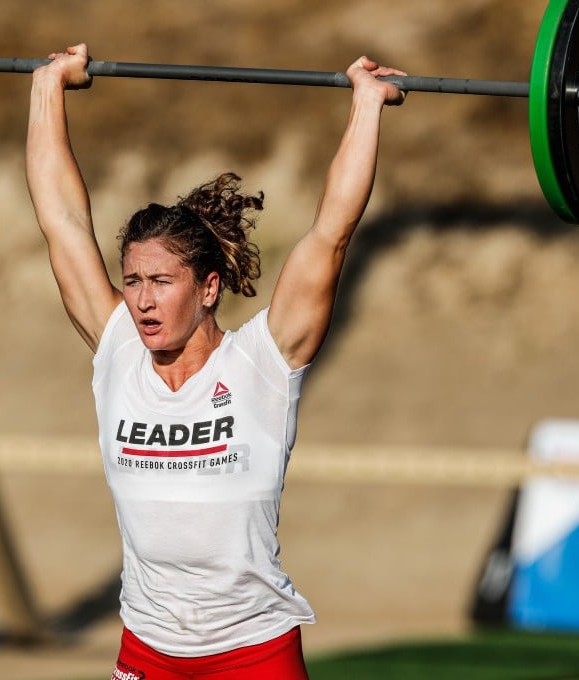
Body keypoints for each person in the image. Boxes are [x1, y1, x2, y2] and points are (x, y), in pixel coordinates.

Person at [26, 43, 405, 680]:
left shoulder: (262, 361)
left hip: (254, 652)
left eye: (162, 282)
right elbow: (61, 220)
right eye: (133, 281)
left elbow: (331, 233)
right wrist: (47, 88)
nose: (142, 301)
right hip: (147, 649)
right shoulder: (119, 346)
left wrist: (366, 105)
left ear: (207, 288)